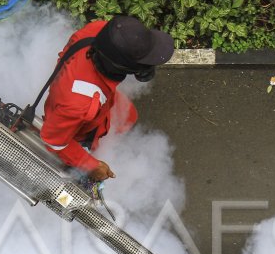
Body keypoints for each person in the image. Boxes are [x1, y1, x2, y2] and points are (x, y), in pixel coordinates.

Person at [39, 15, 174, 182]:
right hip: (77, 124)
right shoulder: (81, 105)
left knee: (128, 116)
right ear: (120, 67)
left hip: (90, 94)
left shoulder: (100, 30)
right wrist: (91, 165)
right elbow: (53, 141)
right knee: (93, 145)